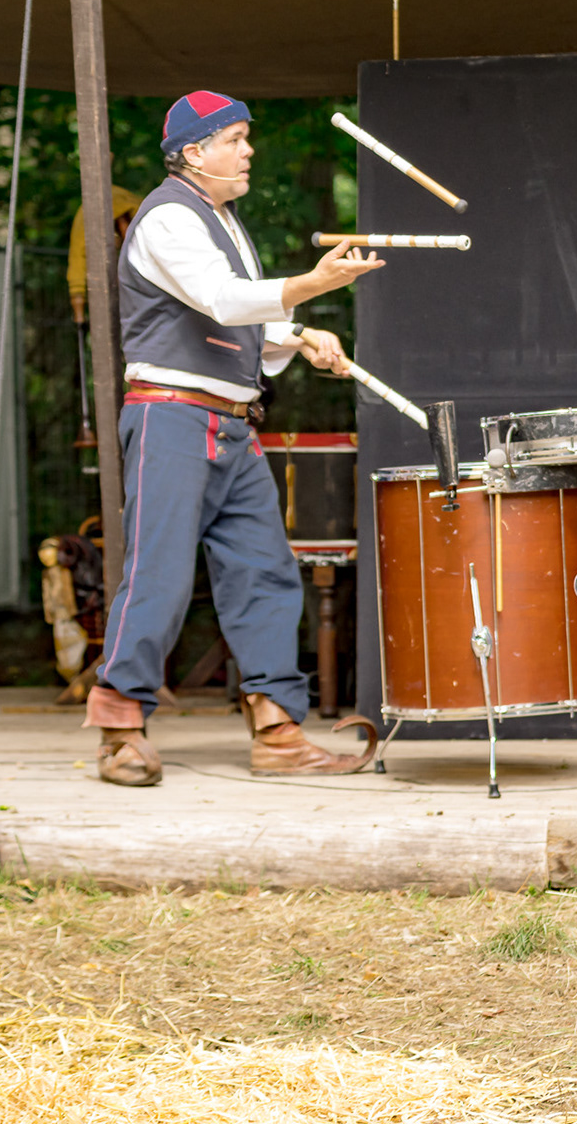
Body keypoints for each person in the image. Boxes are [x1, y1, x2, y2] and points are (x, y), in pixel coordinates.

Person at [85, 90, 384, 787]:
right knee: (158, 571)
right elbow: (220, 299)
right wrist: (310, 286)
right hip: (172, 416)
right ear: (194, 151)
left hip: (229, 422)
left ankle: (276, 727)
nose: (248, 150)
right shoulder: (167, 217)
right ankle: (119, 723)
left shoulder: (220, 218)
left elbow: (233, 319)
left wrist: (298, 335)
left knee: (264, 570)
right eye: (234, 139)